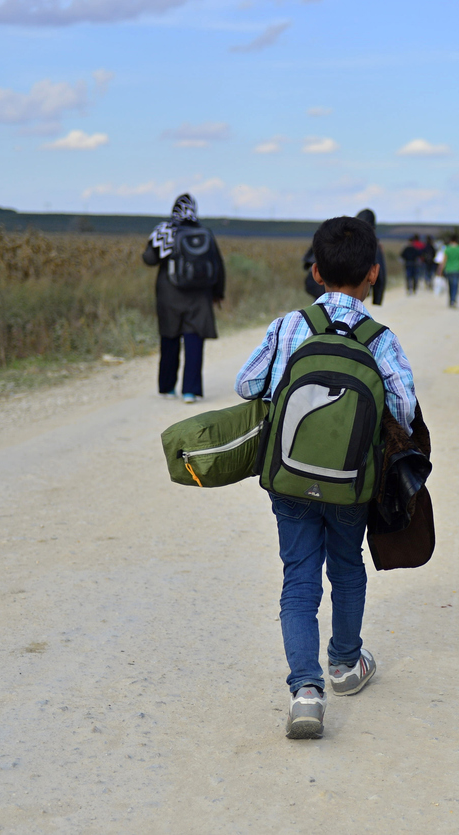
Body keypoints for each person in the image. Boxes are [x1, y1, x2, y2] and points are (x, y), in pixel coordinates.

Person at [234, 216, 418, 739]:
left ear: (315, 272)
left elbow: (247, 383)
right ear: (374, 275)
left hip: (289, 479)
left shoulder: (290, 325)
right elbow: (403, 410)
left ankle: (306, 692)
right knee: (346, 566)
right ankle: (343, 664)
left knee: (298, 581)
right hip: (350, 482)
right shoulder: (380, 338)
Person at [142, 193, 225, 405]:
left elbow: (149, 259)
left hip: (169, 295)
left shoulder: (166, 231)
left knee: (169, 338)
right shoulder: (204, 233)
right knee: (194, 340)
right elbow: (218, 266)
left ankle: (167, 387)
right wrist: (217, 294)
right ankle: (190, 391)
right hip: (200, 297)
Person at [305, 210, 385, 304]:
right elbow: (381, 273)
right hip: (351, 292)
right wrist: (377, 299)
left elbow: (310, 258)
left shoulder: (335, 236)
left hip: (322, 286)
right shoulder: (370, 242)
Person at [440, 234, 459, 308]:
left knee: (450, 286)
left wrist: (440, 270)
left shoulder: (447, 249)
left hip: (448, 269)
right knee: (456, 286)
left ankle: (451, 300)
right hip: (457, 269)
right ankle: (454, 300)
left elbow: (444, 261)